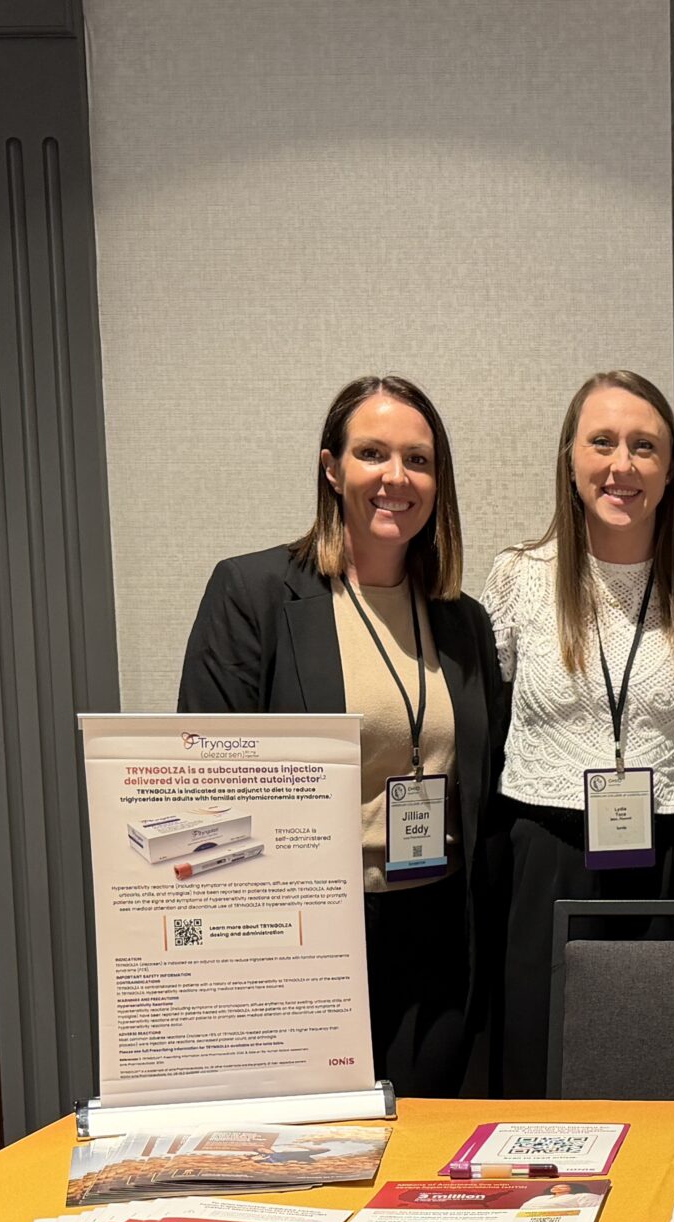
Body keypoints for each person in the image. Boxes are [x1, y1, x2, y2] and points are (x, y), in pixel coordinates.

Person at [177, 374, 500, 1096]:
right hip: (309, 936)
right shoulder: (255, 595)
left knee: (425, 1138)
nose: (396, 477)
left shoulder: (462, 620)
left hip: (440, 931)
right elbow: (207, 789)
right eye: (372, 454)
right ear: (331, 467)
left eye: (418, 460)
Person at [486, 370, 674, 1096]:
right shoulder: (517, 579)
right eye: (601, 442)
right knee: (546, 1078)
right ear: (569, 459)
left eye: (644, 446)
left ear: (671, 469)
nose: (622, 464)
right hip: (547, 859)